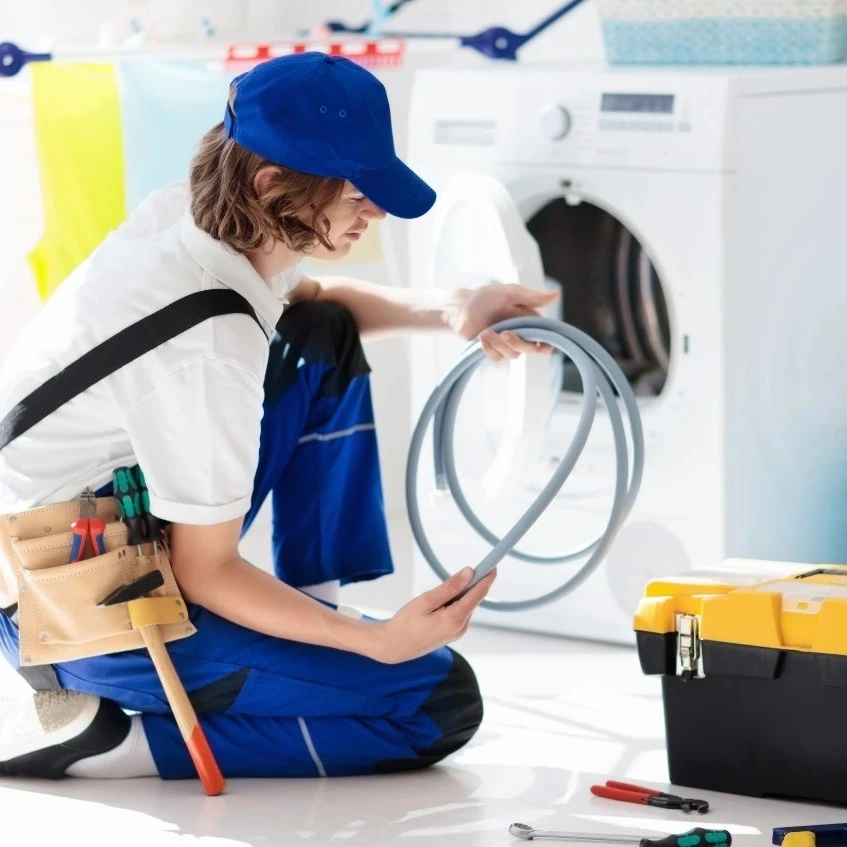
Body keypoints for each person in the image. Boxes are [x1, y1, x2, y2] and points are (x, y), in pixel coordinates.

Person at [0, 52, 558, 781]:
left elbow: (309, 295)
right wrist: (375, 643)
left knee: (320, 333)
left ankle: (308, 610)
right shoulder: (205, 349)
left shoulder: (192, 216)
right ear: (273, 186)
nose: (375, 212)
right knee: (435, 701)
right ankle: (120, 744)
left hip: (91, 521)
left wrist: (454, 307)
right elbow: (207, 570)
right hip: (72, 606)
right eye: (357, 195)